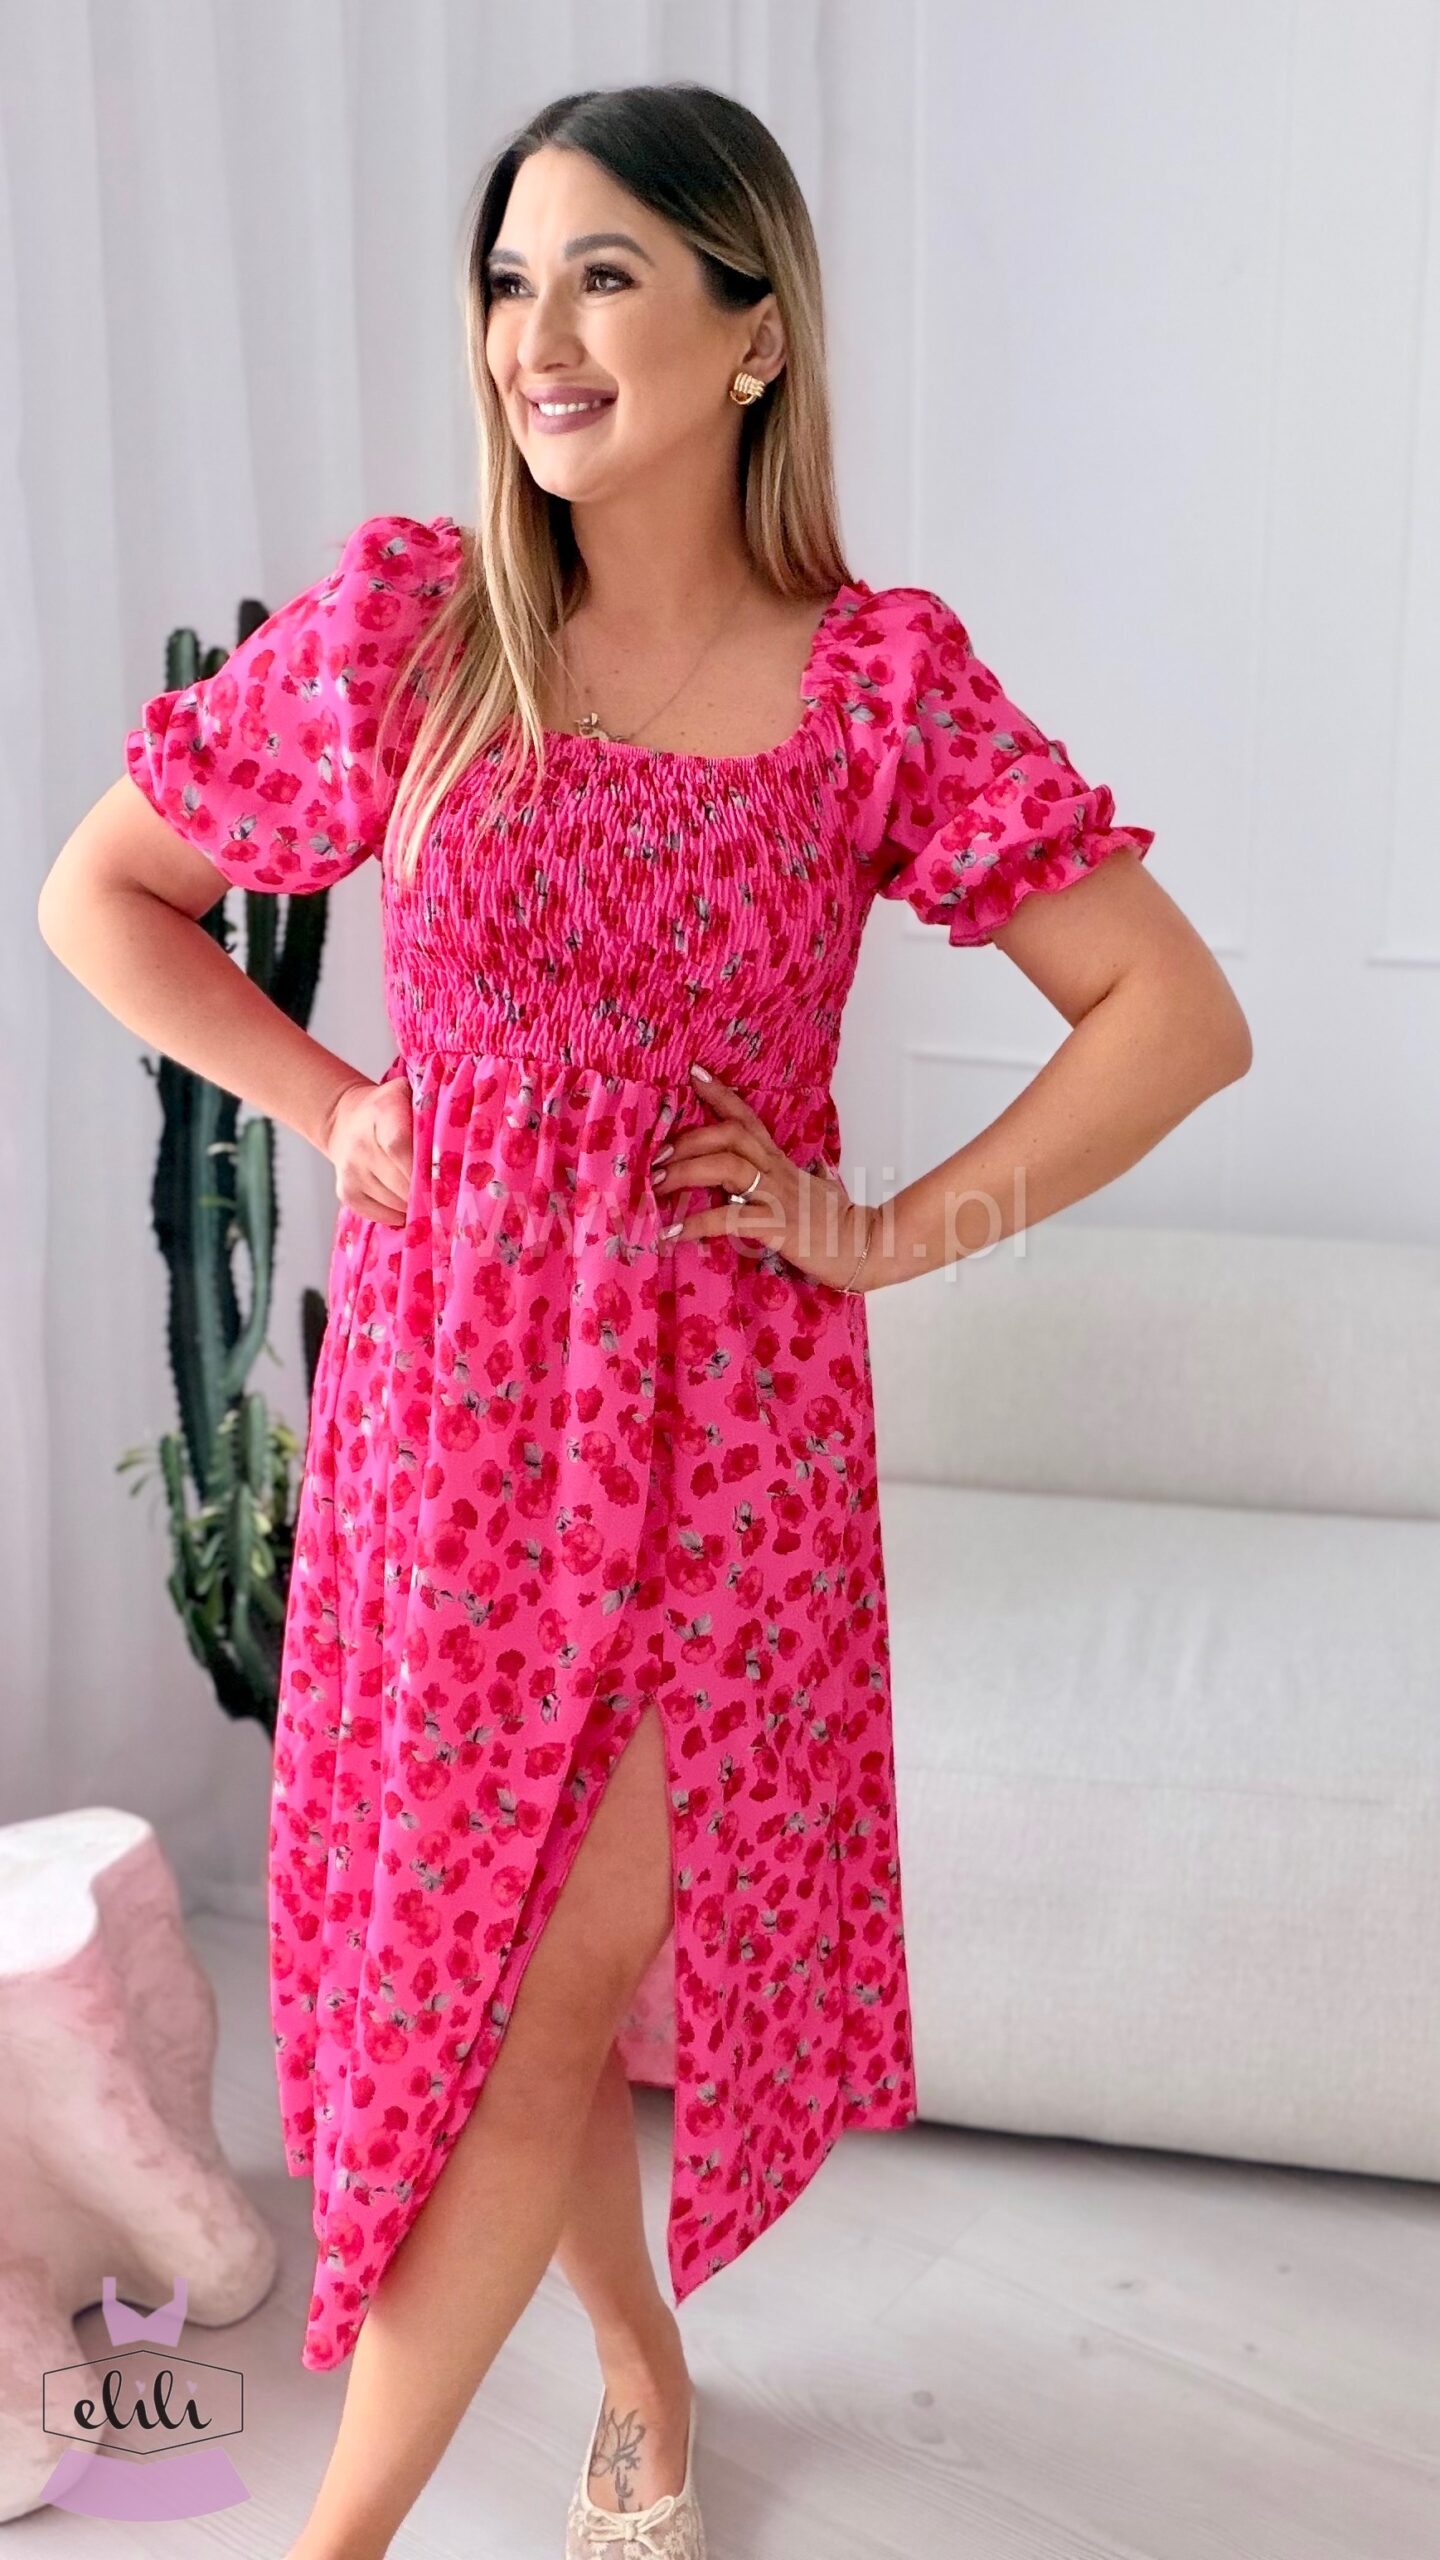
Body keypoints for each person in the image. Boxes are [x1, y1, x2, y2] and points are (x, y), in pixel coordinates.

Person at [37, 78, 1251, 2560]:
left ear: (754, 329)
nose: (537, 335)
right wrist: (330, 1099)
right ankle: (636, 2355)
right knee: (512, 1973)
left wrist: (881, 1228)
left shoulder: (873, 686)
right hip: (451, 1413)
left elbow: (1173, 1012)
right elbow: (101, 892)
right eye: (509, 280)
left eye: (603, 274)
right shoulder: (418, 636)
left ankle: (335, 2537)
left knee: (561, 1971)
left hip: (723, 1429)